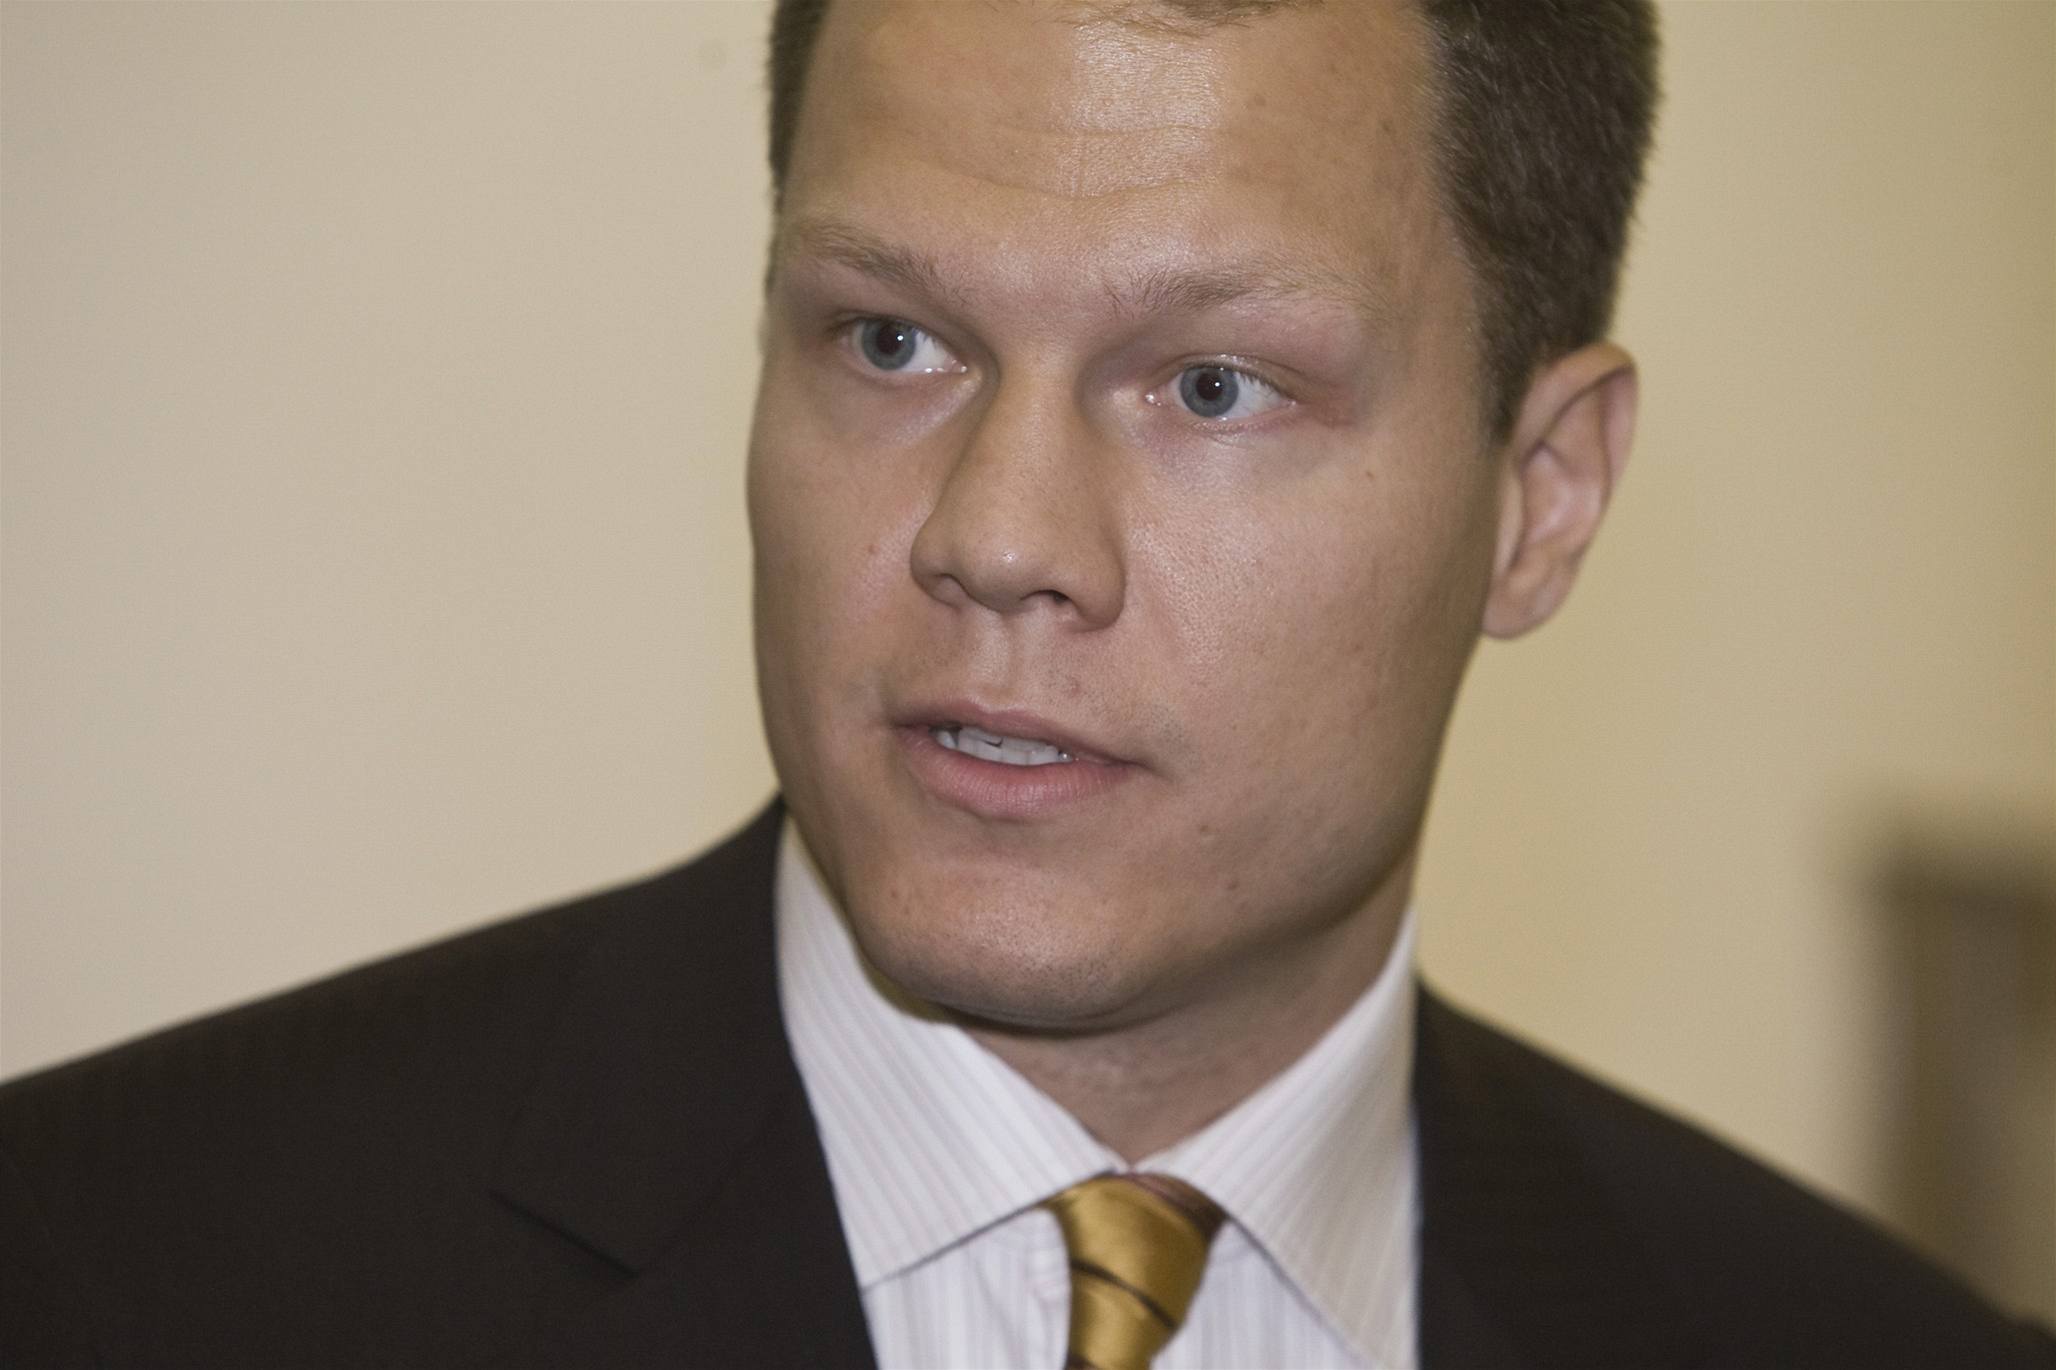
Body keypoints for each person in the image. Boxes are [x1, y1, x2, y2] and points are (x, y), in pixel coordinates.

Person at [1, 1, 2050, 1367]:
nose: (996, 535)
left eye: (1213, 385)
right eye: (891, 342)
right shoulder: (102, 1274)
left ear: (1540, 497)